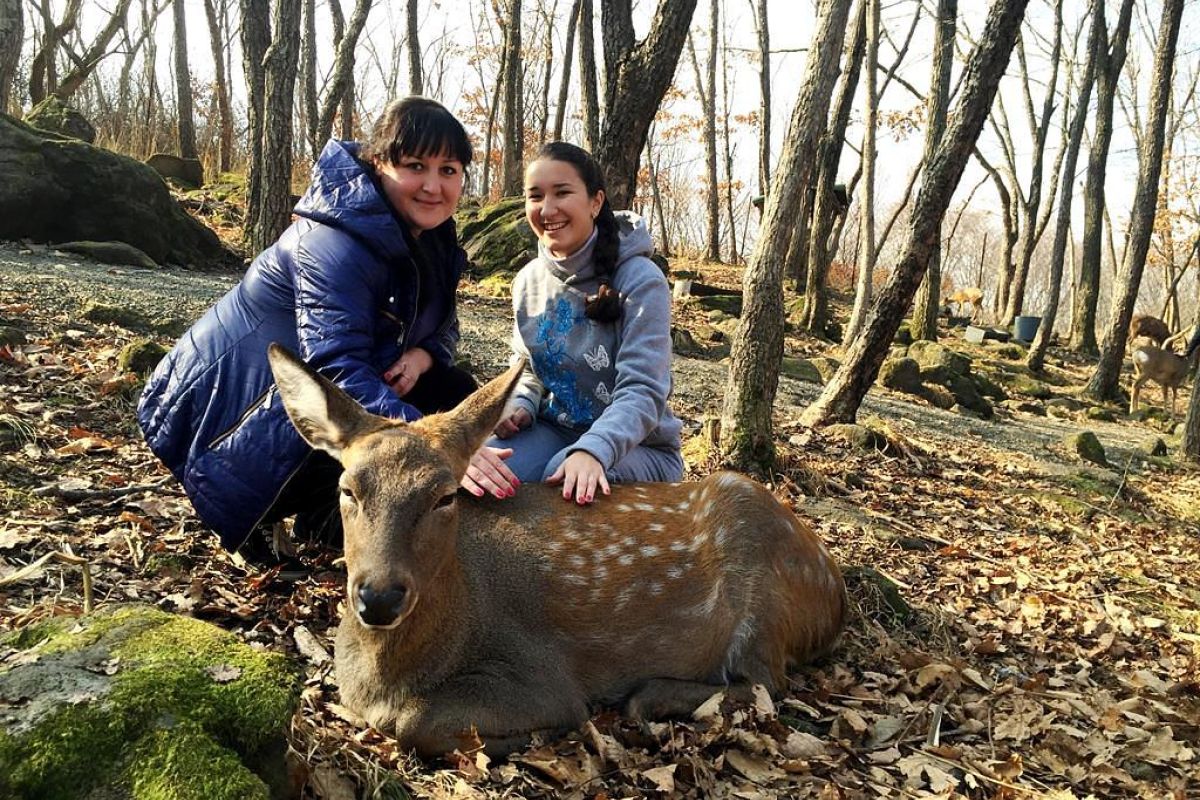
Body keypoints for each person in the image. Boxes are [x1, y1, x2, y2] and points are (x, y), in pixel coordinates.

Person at [138, 97, 477, 562]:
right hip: (238, 414)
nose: (434, 186)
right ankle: (286, 509)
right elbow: (334, 365)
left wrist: (424, 356)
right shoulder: (332, 242)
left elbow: (443, 326)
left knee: (451, 386)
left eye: (449, 170)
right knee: (408, 425)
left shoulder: (433, 236)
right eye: (415, 166)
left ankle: (325, 516)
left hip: (316, 390)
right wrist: (435, 447)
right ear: (378, 162)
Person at [462, 141, 683, 505]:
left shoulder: (641, 280)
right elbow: (528, 371)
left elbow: (644, 390)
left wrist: (594, 450)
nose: (547, 209)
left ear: (595, 202)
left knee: (561, 482)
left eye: (562, 193)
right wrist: (519, 406)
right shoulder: (527, 281)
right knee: (482, 478)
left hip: (638, 447)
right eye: (535, 196)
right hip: (554, 429)